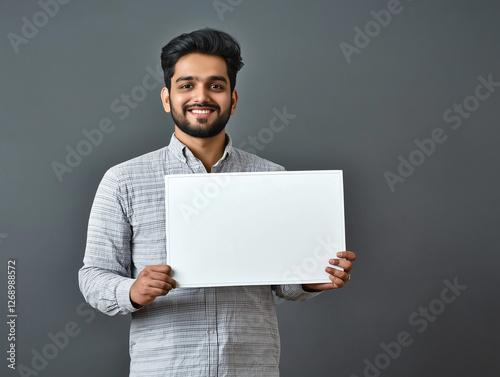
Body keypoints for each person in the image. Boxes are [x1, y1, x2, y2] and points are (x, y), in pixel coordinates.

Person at [79, 28, 356, 377]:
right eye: (186, 85)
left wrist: (312, 278)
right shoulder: (123, 181)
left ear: (233, 99)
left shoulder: (272, 177)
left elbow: (283, 281)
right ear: (167, 98)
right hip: (165, 369)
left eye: (215, 85)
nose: (201, 96)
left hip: (250, 367)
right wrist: (132, 290)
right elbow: (93, 276)